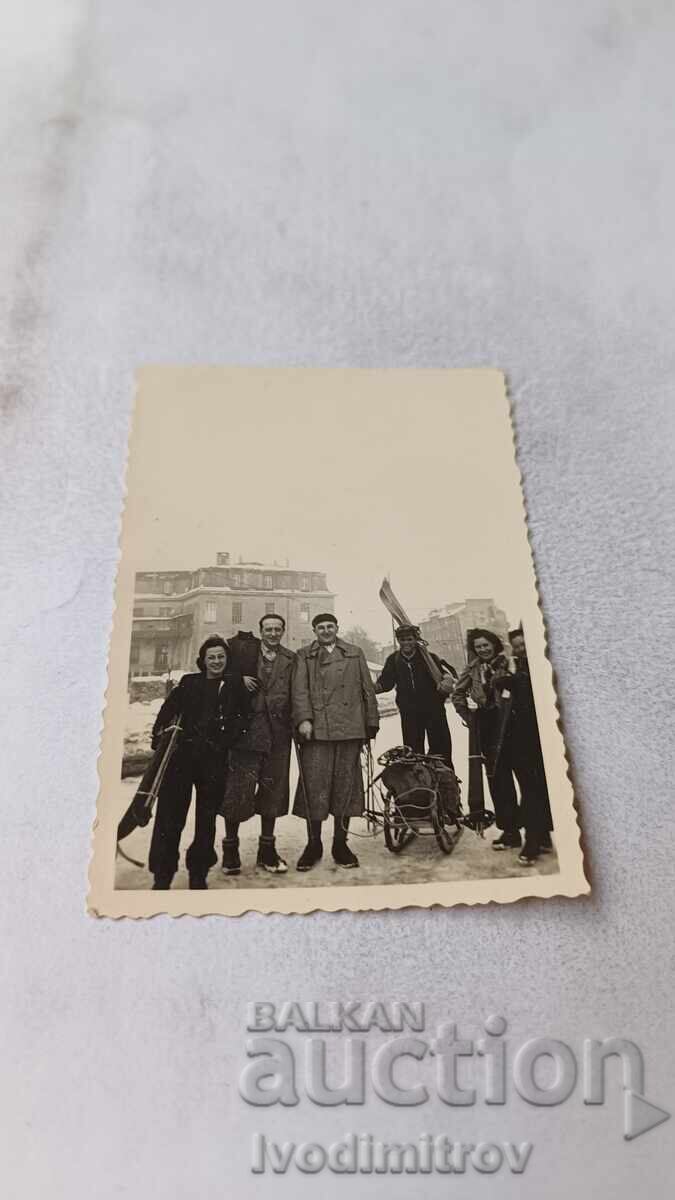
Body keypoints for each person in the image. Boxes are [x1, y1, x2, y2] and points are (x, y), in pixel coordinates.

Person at [147, 636, 248, 890]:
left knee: (206, 820)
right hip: (180, 760)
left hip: (213, 762)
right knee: (170, 818)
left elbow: (243, 720)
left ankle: (198, 872)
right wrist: (159, 736)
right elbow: (167, 712)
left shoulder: (235, 687)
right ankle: (163, 873)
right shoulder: (189, 682)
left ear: (227, 659)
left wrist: (225, 741)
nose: (216, 662)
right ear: (202, 660)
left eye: (221, 657)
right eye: (211, 657)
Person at [292, 613, 380, 871]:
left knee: (346, 788)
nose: (326, 631)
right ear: (315, 630)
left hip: (350, 729)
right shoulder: (304, 655)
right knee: (315, 788)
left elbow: (367, 689)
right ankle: (313, 844)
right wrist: (304, 719)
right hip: (316, 732)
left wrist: (371, 722)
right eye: (321, 627)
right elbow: (300, 691)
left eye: (330, 626)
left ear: (337, 628)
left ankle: (340, 844)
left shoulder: (354, 652)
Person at [219, 615, 295, 875]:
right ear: (260, 631)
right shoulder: (243, 651)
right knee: (238, 793)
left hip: (278, 737)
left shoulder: (290, 658)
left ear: (283, 631)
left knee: (272, 794)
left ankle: (267, 851)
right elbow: (216, 668)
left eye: (277, 629)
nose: (273, 634)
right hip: (245, 736)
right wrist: (237, 679)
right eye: (268, 629)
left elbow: (298, 693)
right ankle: (230, 850)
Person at [452, 627, 521, 850]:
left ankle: (537, 829)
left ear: (494, 644)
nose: (482, 649)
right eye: (478, 646)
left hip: (514, 725)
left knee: (527, 780)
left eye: (486, 644)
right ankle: (510, 831)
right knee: (498, 780)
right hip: (488, 727)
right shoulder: (473, 668)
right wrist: (470, 719)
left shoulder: (509, 663)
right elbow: (457, 693)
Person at [496, 628, 554, 865]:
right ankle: (537, 837)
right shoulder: (515, 669)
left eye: (524, 645)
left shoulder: (539, 666)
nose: (521, 650)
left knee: (537, 789)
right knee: (532, 789)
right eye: (517, 646)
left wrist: (510, 680)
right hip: (521, 741)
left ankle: (537, 838)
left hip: (542, 739)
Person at [374, 624, 457, 766]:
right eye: (402, 640)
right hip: (409, 713)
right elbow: (385, 683)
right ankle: (420, 784)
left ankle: (445, 784)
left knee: (440, 750)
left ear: (415, 640)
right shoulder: (394, 660)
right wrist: (367, 688)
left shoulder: (429, 658)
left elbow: (448, 673)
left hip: (434, 710)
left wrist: (447, 680)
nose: (406, 643)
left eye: (409, 639)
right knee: (413, 752)